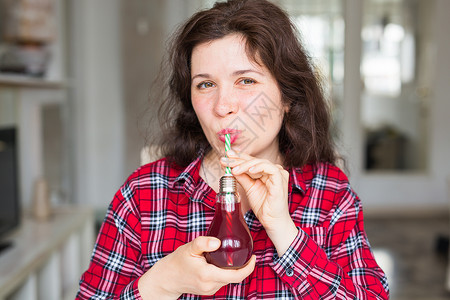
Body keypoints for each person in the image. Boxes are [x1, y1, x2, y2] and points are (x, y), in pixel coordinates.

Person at [76, 0, 389, 299]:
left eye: (246, 81)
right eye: (206, 84)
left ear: (287, 97)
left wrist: (285, 233)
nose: (223, 106)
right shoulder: (143, 195)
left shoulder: (329, 192)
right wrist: (161, 284)